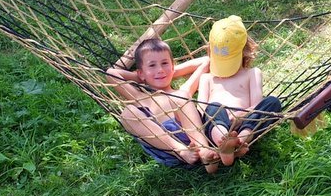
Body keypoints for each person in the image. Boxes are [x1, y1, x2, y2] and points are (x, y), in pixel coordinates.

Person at [106, 38, 220, 171]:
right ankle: (181, 151)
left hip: (190, 134)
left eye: (164, 63)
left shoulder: (181, 91)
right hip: (164, 144)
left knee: (181, 96)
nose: (160, 70)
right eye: (152, 65)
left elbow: (205, 61)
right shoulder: (138, 96)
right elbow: (111, 74)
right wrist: (143, 76)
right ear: (140, 73)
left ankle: (204, 151)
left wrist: (170, 71)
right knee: (128, 113)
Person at [198, 16, 282, 166]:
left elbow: (257, 105)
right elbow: (201, 109)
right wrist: (221, 120)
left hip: (245, 121)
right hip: (216, 124)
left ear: (244, 50)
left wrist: (240, 116)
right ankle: (224, 143)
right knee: (214, 107)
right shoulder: (207, 78)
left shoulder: (252, 74)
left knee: (272, 102)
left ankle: (239, 141)